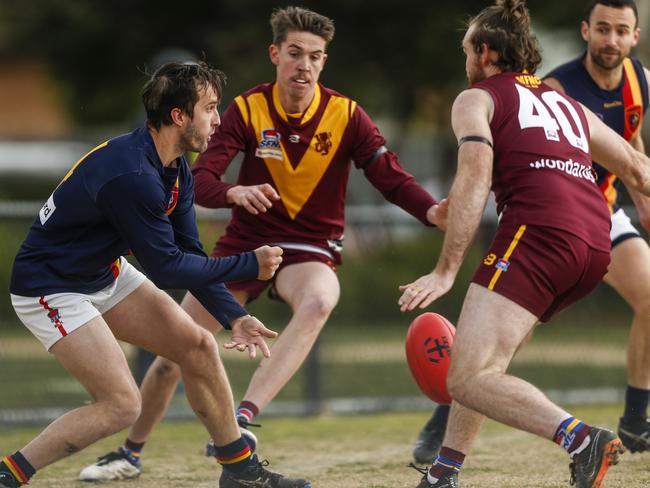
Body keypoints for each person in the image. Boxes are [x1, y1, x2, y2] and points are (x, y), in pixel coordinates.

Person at [78, 5, 448, 482]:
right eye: (295, 53)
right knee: (179, 351)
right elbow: (202, 178)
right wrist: (234, 191)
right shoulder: (248, 110)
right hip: (245, 247)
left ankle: (243, 421)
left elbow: (389, 176)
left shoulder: (347, 115)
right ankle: (129, 453)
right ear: (275, 54)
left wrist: (431, 210)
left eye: (315, 56)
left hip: (310, 248)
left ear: (324, 62)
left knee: (318, 300)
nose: (304, 65)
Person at [1, 61, 311, 488]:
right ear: (179, 116)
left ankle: (240, 472)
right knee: (122, 405)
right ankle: (9, 473)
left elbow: (189, 253)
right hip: (50, 287)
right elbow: (166, 268)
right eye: (210, 108)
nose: (219, 120)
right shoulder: (134, 175)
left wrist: (233, 316)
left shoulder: (174, 166)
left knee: (199, 346)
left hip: (101, 273)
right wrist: (248, 264)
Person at [398, 0, 650, 486]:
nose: (465, 58)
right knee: (486, 365)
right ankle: (443, 474)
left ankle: (579, 438)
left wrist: (446, 269)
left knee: (466, 377)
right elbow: (639, 170)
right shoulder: (568, 104)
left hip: (538, 236)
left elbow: (475, 178)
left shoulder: (477, 97)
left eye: (467, 48)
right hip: (595, 245)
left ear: (486, 53)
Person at [543, 0, 650, 453]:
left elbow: (631, 141)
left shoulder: (640, 79)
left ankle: (635, 420)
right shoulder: (557, 87)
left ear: (635, 37)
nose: (612, 40)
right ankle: (446, 411)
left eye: (621, 31)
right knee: (512, 333)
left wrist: (643, 201)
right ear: (585, 31)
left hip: (605, 212)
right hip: (556, 217)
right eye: (602, 29)